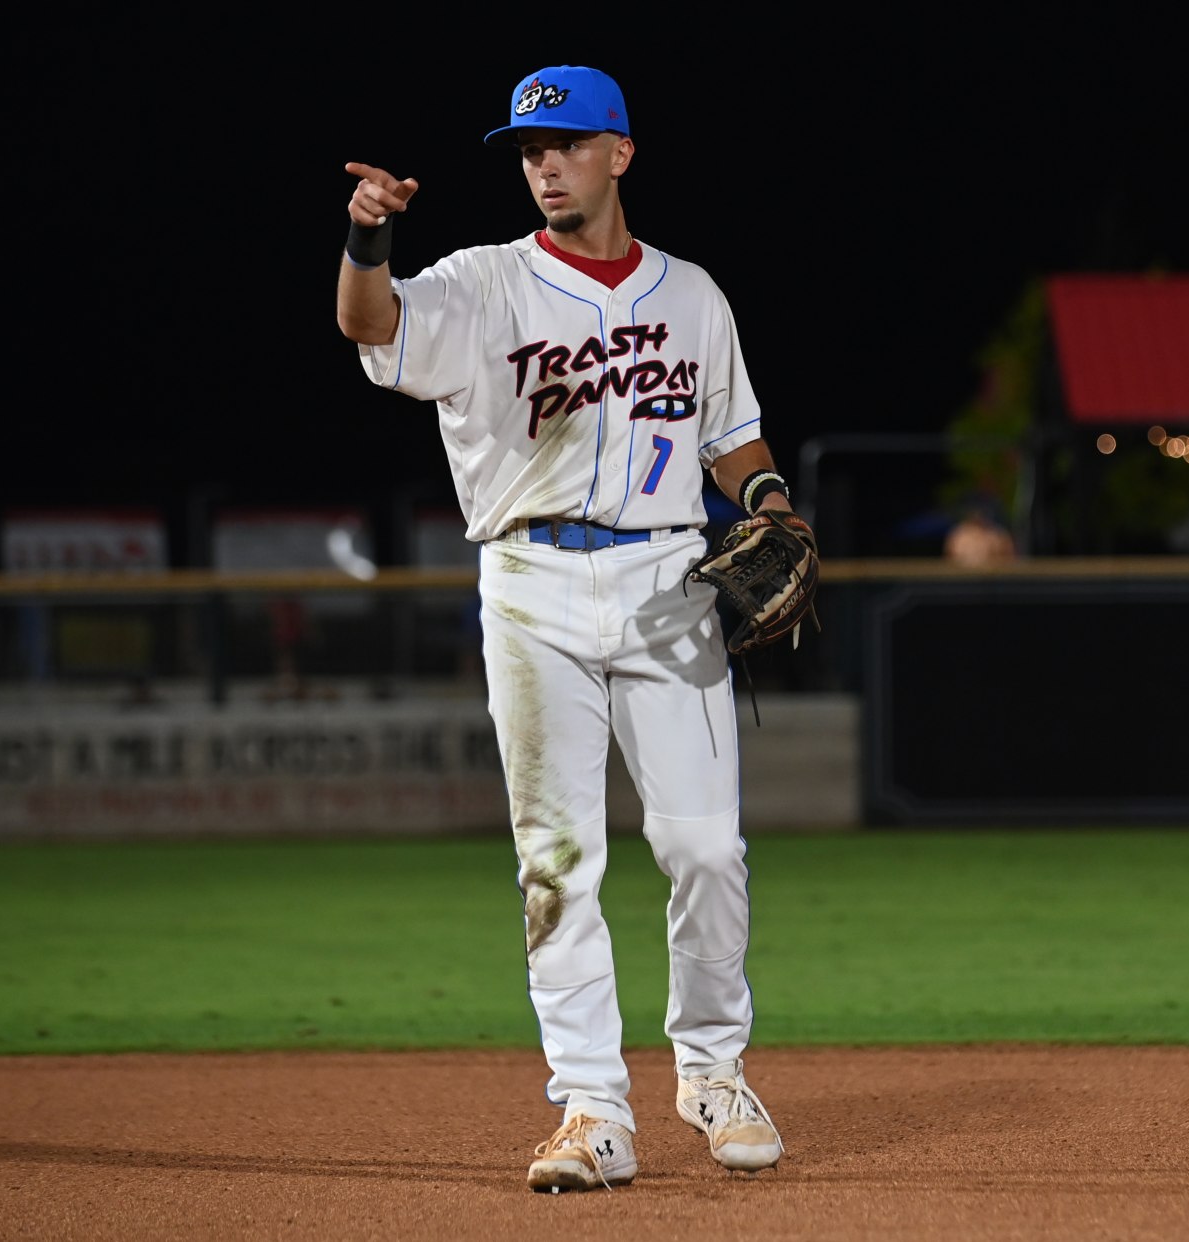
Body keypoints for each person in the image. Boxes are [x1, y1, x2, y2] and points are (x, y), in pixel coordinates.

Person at [336, 64, 791, 1193]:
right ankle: (591, 1108)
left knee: (705, 849)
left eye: (569, 143)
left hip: (670, 578)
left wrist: (772, 501)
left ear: (619, 153)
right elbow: (372, 324)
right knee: (558, 862)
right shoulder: (483, 283)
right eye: (530, 149)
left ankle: (713, 1069)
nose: (546, 164)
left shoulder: (693, 295)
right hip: (531, 580)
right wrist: (365, 240)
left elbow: (730, 436)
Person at [944, 495, 1017, 567]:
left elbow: (1009, 561)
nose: (979, 514)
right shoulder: (958, 534)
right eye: (976, 509)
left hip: (992, 576)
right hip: (963, 576)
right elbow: (949, 559)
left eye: (983, 509)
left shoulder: (999, 535)